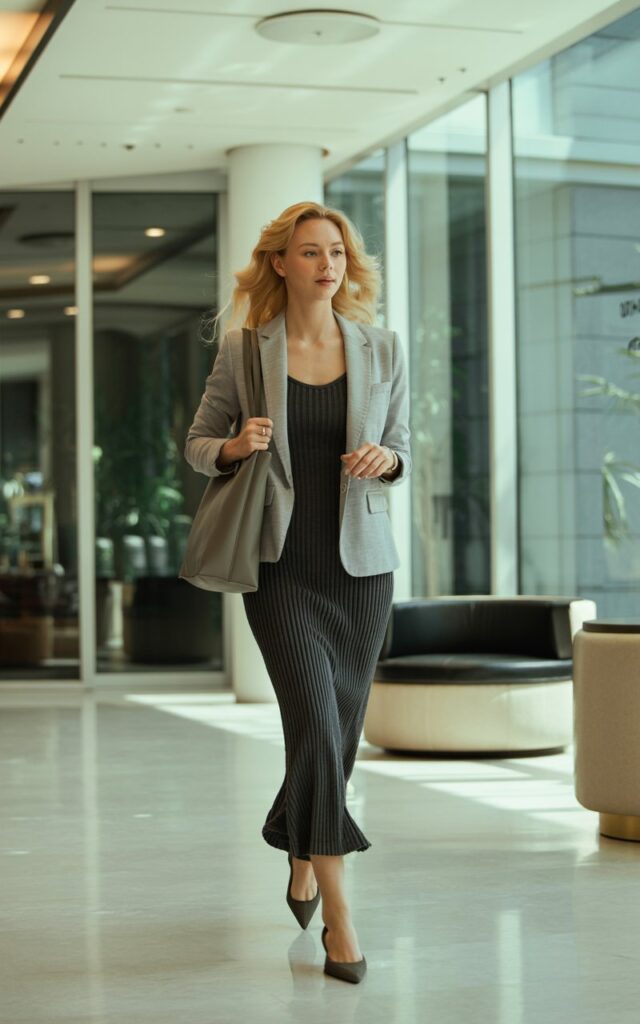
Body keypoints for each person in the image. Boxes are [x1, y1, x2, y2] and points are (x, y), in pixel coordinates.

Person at [184, 200, 411, 983]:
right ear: (280, 263)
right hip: (279, 565)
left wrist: (386, 461)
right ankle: (341, 920)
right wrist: (234, 446)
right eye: (311, 252)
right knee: (315, 717)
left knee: (337, 731)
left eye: (337, 253)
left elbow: (402, 446)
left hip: (363, 568)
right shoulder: (246, 350)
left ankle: (300, 846)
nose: (327, 266)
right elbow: (197, 444)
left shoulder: (382, 347)